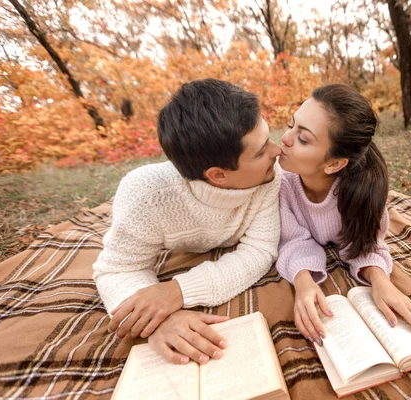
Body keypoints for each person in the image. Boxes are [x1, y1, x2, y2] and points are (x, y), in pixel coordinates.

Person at [92, 78, 282, 365]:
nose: (277, 151)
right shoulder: (145, 194)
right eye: (261, 151)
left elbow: (260, 250)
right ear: (218, 175)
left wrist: (178, 291)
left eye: (268, 137)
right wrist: (158, 321)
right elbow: (116, 270)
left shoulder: (270, 176)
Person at [276, 84, 411, 347]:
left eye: (303, 138)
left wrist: (380, 280)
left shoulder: (362, 194)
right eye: (291, 125)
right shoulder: (281, 183)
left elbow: (366, 242)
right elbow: (293, 239)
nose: (285, 138)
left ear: (333, 163)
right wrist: (303, 281)